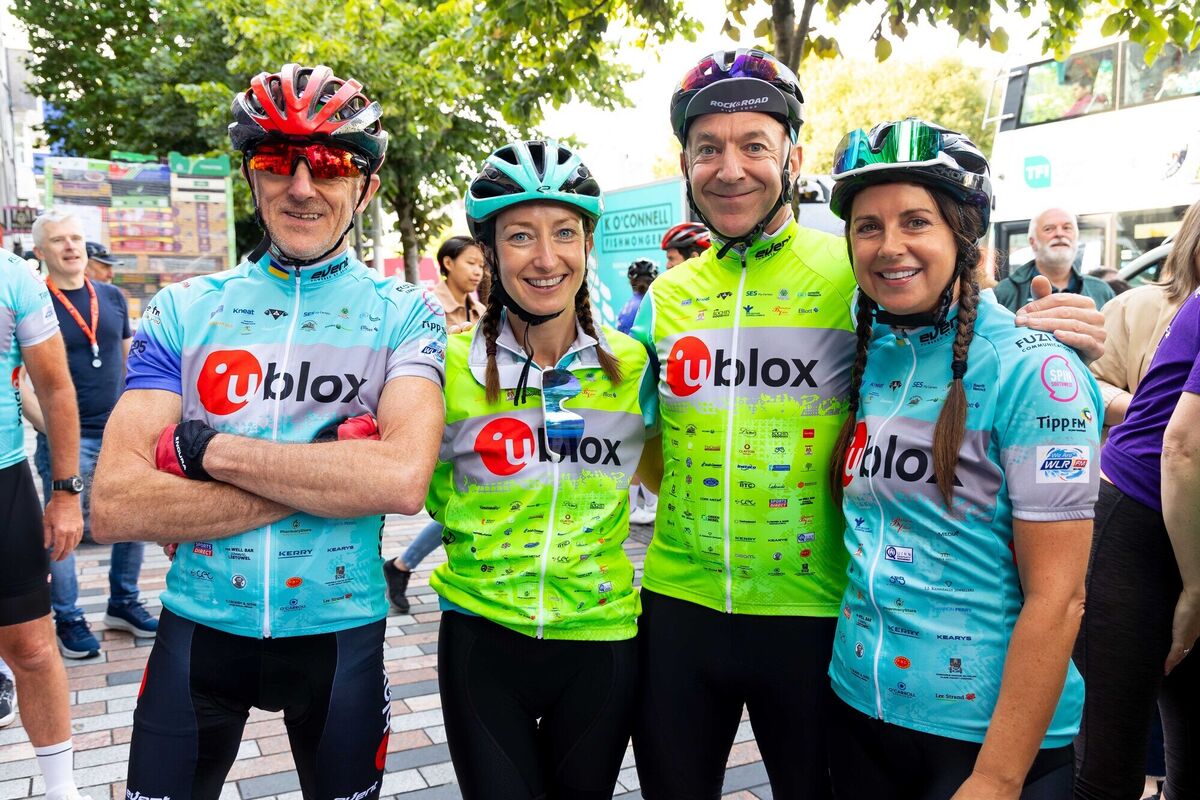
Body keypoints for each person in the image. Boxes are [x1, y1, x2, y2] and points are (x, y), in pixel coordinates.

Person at [629, 48, 1108, 800]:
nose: (730, 168)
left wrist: (1064, 343)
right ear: (683, 161)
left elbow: (979, 349)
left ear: (790, 154)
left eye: (754, 145)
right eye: (708, 149)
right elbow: (647, 439)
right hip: (693, 612)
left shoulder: (851, 277)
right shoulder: (667, 296)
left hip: (816, 615)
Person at [90, 63, 446, 799]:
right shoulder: (183, 310)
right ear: (250, 178)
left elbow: (401, 481)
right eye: (276, 161)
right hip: (198, 633)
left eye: (328, 163)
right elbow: (118, 503)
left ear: (366, 186)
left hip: (339, 637)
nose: (302, 186)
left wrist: (202, 450)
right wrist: (328, 473)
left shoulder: (404, 314)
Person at [824, 117, 1099, 799]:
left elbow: (1058, 598)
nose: (890, 247)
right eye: (868, 226)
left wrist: (998, 780)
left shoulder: (1032, 369)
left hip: (988, 743)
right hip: (859, 710)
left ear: (961, 233)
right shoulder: (867, 357)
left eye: (915, 221)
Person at [430, 139, 655, 800]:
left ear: (588, 244)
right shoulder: (446, 365)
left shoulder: (636, 367)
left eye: (565, 233)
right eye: (521, 235)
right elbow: (416, 483)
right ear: (491, 252)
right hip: (481, 638)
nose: (546, 257)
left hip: (601, 639)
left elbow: (671, 475)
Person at [1073, 222, 1200, 800]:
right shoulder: (1151, 302)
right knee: (1106, 758)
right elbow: (1183, 447)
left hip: (1171, 518)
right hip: (1141, 517)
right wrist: (1195, 592)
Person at [27, 211, 153, 659]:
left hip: (117, 431)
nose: (71, 247)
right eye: (58, 240)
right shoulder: (33, 301)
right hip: (66, 439)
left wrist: (135, 419)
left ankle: (123, 602)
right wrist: (59, 431)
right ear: (41, 252)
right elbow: (20, 381)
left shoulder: (112, 296)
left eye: (76, 238)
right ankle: (68, 617)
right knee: (64, 527)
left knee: (131, 517)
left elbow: (129, 363)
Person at [0, 246, 91, 799]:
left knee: (32, 649)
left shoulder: (14, 278)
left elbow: (56, 387)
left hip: (4, 482)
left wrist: (65, 494)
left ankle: (61, 790)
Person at [1091, 203, 1200, 427]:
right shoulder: (1133, 307)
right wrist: (1153, 414)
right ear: (1193, 243)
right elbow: (1087, 385)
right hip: (1148, 458)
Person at [994, 208, 1114, 312]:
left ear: (1076, 238)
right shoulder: (1005, 292)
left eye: (1067, 228)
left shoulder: (1101, 291)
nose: (1059, 234)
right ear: (1032, 242)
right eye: (1048, 229)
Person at [429, 235, 485, 328]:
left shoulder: (481, 311)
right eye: (471, 262)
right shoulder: (428, 308)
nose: (478, 272)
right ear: (448, 263)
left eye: (481, 266)